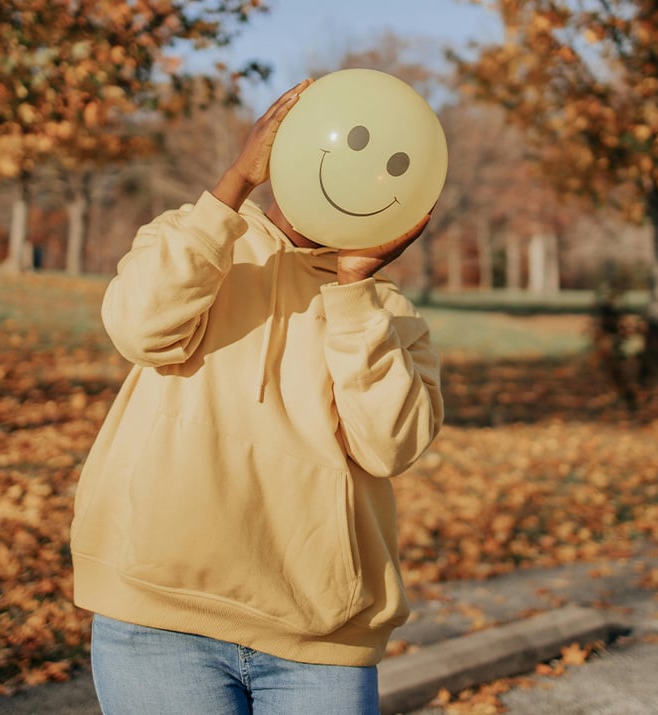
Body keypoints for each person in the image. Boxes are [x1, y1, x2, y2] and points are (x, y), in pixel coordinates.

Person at [70, 79, 444, 714]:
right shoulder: (196, 237)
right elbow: (140, 329)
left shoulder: (386, 313)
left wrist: (353, 288)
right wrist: (234, 183)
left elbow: (389, 448)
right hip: (159, 619)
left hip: (320, 637)